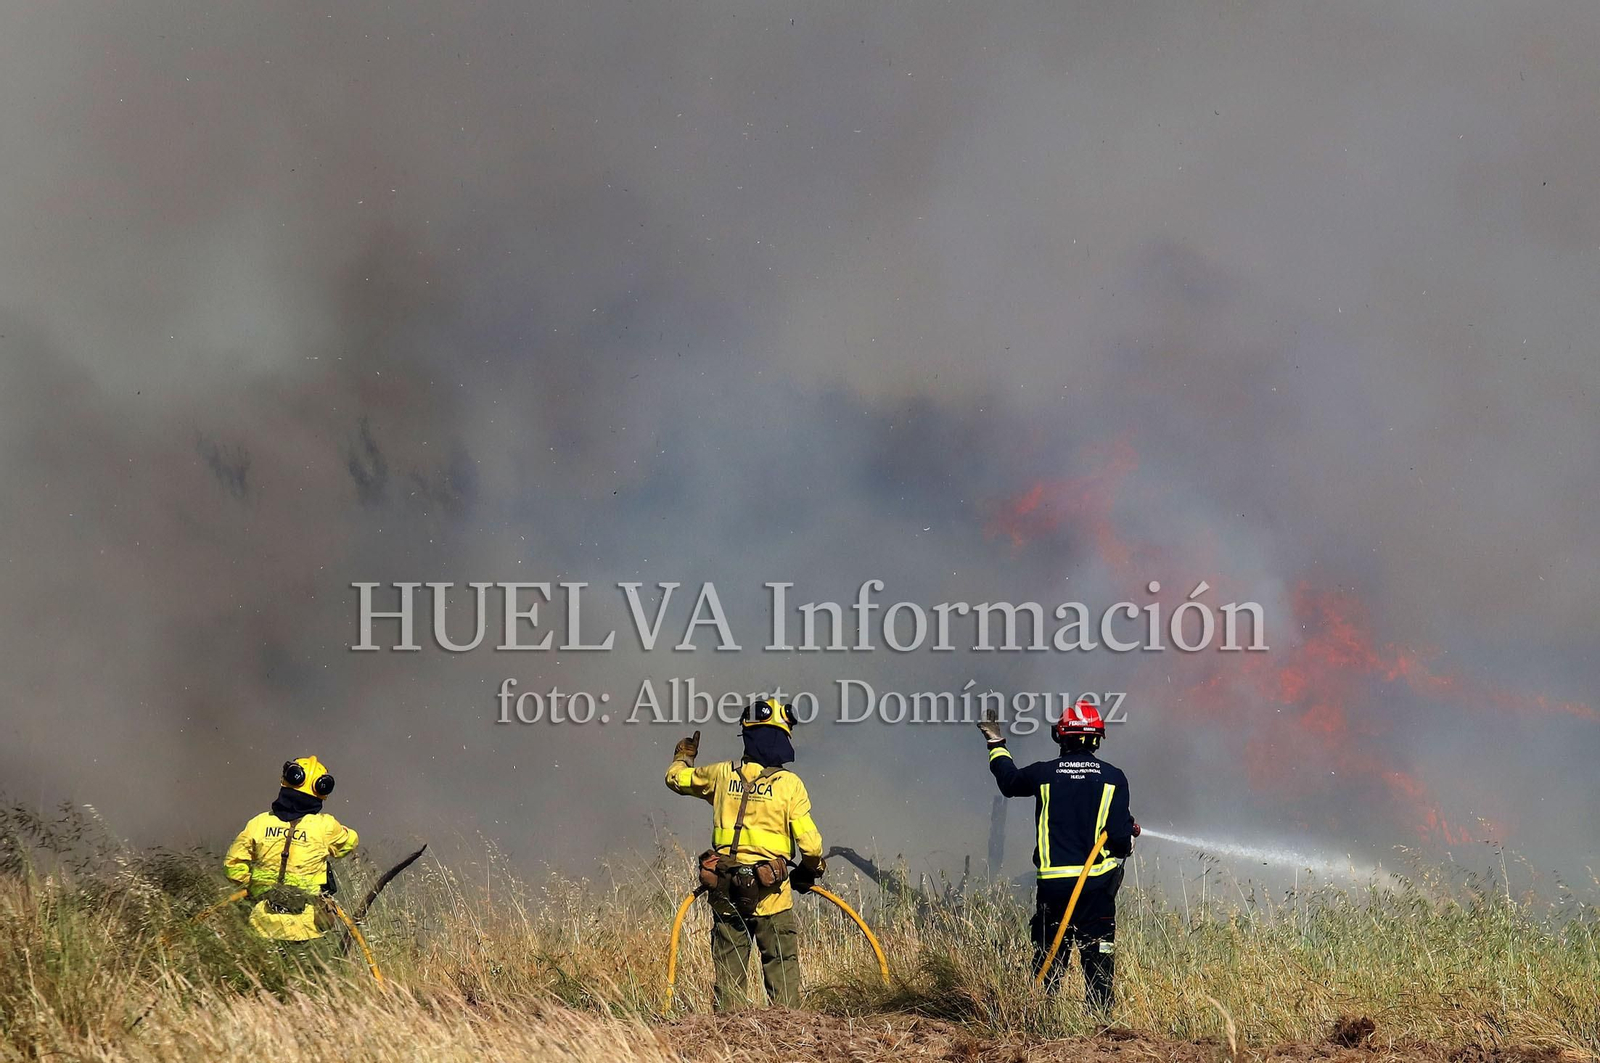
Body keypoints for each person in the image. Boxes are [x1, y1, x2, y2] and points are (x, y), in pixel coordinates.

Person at [666, 699, 826, 1009]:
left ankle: (730, 1043)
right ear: (784, 738)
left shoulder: (722, 774)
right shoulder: (789, 785)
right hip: (773, 897)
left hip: (726, 894)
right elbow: (812, 847)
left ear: (748, 736)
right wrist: (809, 870)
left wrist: (682, 757)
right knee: (783, 981)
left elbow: (676, 779)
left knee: (729, 987)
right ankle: (787, 1044)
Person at [980, 699, 1138, 1011]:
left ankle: (1039, 1020)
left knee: (1048, 960)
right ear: (1097, 739)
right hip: (1096, 891)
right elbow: (1119, 841)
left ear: (1060, 737)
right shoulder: (1113, 778)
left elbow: (1009, 782)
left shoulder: (1044, 773)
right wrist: (1127, 838)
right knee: (1099, 961)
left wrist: (995, 743)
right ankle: (1099, 1029)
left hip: (1053, 890)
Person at [224, 755, 359, 953]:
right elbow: (349, 843)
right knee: (313, 980)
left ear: (285, 782)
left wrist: (254, 887)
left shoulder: (258, 824)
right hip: (306, 930)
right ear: (322, 792)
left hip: (262, 924)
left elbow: (231, 867)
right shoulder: (326, 826)